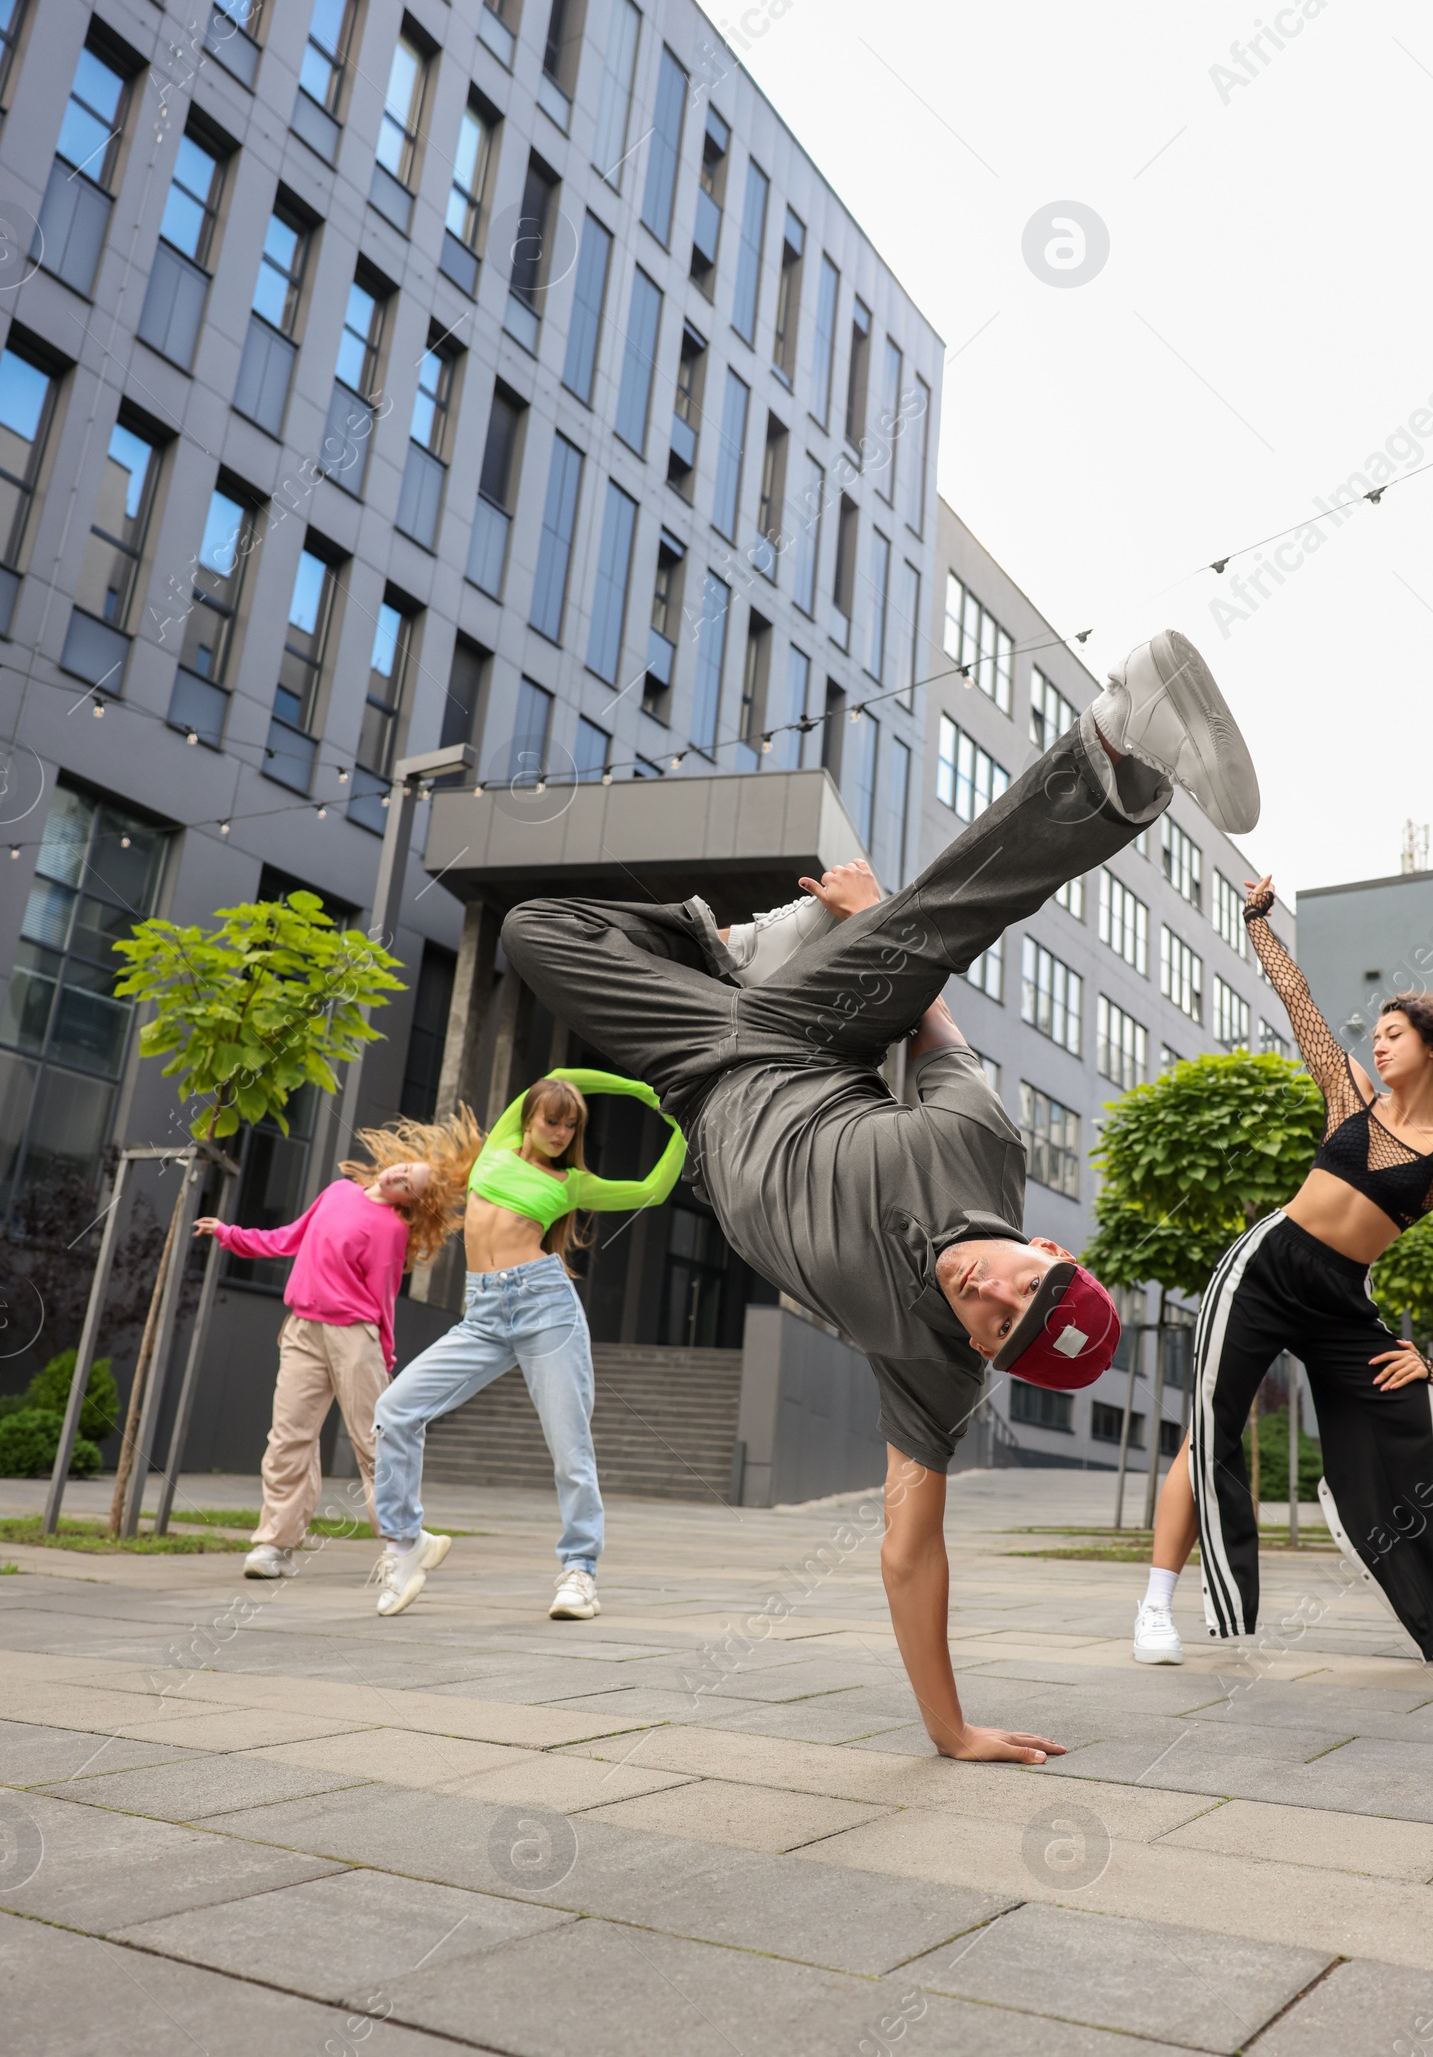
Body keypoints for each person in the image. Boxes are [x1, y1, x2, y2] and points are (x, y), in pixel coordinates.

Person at [499, 631, 1260, 1763]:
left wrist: (949, 1728)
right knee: (938, 925)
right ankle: (1117, 752)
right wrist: (871, 919)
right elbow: (931, 1004)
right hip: (803, 1034)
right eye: (1022, 1279)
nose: (984, 1288)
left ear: (984, 1354)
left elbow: (911, 1548)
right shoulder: (981, 1140)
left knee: (530, 933)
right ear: (1047, 1245)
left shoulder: (931, 1369)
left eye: (996, 1322)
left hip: (709, 1082)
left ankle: (727, 947)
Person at [1133, 876, 1433, 1672]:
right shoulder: (1349, 1098)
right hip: (1264, 1269)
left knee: (1424, 1428)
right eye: (1379, 1034)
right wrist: (1259, 924)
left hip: (1339, 1300)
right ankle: (1156, 1606)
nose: (1380, 1044)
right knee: (1210, 1430)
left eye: (1396, 1034)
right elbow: (1298, 999)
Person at [369, 1070, 685, 1619]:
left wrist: (682, 1119)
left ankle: (580, 1571)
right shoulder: (497, 1147)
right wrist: (638, 1089)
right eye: (551, 1120)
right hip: (484, 1313)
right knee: (396, 1409)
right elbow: (561, 1076)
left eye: (570, 1125)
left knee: (570, 1449)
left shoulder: (571, 1184)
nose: (560, 1132)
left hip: (546, 1310)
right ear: (530, 1118)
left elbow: (652, 1191)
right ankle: (405, 1543)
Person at [196, 1112, 482, 1581]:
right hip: (304, 1329)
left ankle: (400, 1545)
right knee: (288, 1437)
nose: (400, 1176)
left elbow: (383, 1299)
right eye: (405, 1168)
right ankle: (275, 1545)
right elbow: (288, 1238)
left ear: (412, 1202)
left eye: (410, 1184)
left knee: (375, 1444)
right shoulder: (337, 1192)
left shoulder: (391, 1229)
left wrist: (384, 1357)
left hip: (355, 1338)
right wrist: (230, 1234)